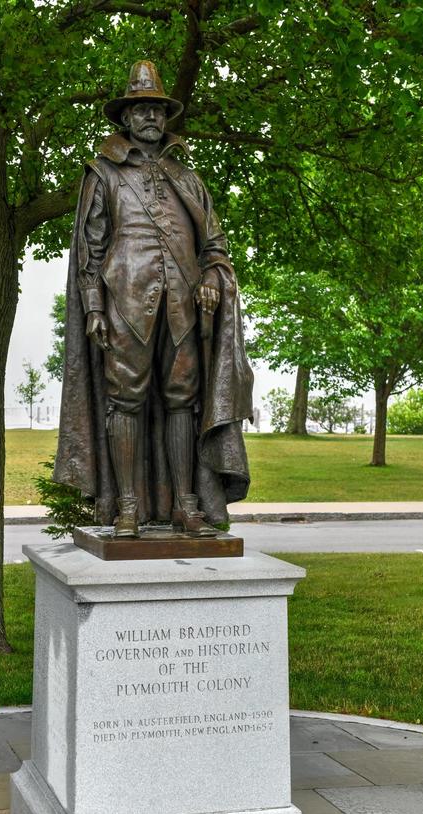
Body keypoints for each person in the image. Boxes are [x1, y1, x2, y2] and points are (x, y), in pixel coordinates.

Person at [54, 61, 253, 538]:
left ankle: (186, 505)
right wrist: (94, 307)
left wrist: (211, 274)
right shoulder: (103, 173)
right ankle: (126, 505)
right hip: (125, 302)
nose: (150, 118)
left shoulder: (189, 177)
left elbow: (215, 245)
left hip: (184, 306)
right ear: (126, 117)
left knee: (182, 400)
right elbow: (90, 246)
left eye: (157, 110)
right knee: (126, 401)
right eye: (141, 109)